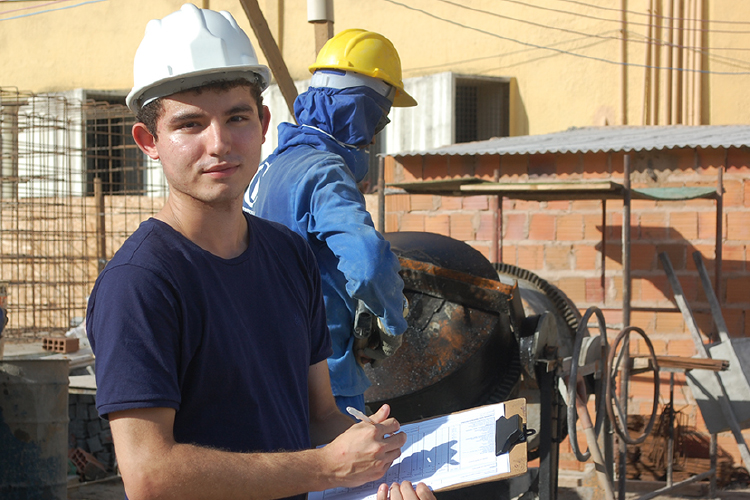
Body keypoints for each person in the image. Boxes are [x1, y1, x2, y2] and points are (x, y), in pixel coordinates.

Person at [86, 5, 435, 500]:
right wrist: (328, 468)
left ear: (264, 121)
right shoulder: (140, 283)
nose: (221, 143)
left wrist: (383, 459)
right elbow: (150, 476)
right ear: (149, 141)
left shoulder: (288, 256)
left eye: (237, 117)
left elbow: (319, 418)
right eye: (189, 125)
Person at [244, 29, 417, 415]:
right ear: (362, 110)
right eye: (379, 122)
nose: (373, 139)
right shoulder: (324, 172)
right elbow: (369, 263)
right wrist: (391, 320)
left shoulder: (270, 167)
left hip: (262, 373)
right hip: (325, 384)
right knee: (344, 475)